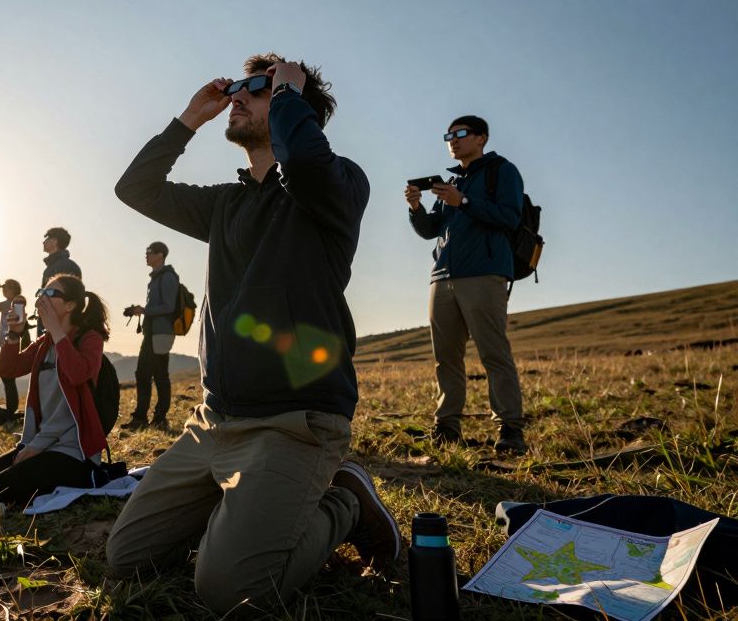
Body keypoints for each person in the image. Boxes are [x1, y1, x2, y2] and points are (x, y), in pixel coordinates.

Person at [106, 53, 399, 614]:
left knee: (228, 594)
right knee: (128, 559)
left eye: (257, 89)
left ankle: (345, 502)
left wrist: (290, 91)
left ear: (296, 106)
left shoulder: (335, 187)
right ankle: (246, 507)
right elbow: (135, 188)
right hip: (213, 422)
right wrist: (190, 117)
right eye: (236, 88)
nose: (237, 96)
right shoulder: (225, 203)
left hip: (294, 423)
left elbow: (308, 165)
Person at [406, 115, 527, 455]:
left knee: (493, 353)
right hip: (442, 276)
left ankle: (510, 429)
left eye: (461, 134)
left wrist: (466, 202)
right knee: (445, 357)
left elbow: (509, 217)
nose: (453, 140)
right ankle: (447, 427)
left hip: (484, 272)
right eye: (449, 135)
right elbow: (431, 230)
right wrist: (416, 207)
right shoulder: (448, 182)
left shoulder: (501, 171)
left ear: (482, 138)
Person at [0, 274, 110, 507]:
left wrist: (57, 332)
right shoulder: (45, 342)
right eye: (41, 292)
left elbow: (78, 374)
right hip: (41, 443)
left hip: (74, 451)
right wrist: (14, 334)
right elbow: (9, 369)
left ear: (70, 305)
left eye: (50, 293)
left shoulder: (89, 339)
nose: (42, 297)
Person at [121, 241, 179, 430]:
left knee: (159, 375)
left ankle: (158, 418)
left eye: (149, 252)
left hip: (161, 334)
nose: (146, 255)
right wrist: (141, 310)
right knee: (144, 374)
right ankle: (143, 418)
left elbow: (169, 306)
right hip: (152, 333)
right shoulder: (155, 278)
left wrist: (144, 310)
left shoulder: (168, 277)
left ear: (160, 255)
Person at [0, 279, 29, 413]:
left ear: (12, 289)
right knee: (8, 376)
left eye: (5, 288)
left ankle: (11, 410)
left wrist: (12, 337)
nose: (3, 291)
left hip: (12, 342)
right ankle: (12, 408)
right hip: (9, 342)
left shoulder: (16, 302)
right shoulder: (9, 303)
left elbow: (19, 321)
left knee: (7, 375)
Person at [39, 227, 83, 336]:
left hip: (59, 329)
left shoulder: (67, 266)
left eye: (47, 239)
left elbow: (69, 299)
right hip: (50, 324)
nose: (43, 242)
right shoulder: (51, 268)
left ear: (55, 241)